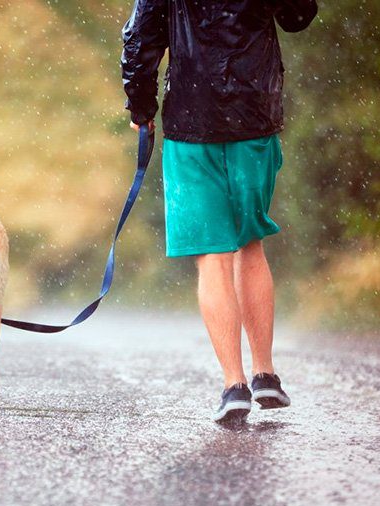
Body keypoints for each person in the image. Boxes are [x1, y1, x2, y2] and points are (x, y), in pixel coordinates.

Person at [121, 0, 318, 422]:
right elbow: (298, 16)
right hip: (255, 116)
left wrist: (141, 107)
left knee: (213, 255)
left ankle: (235, 385)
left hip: (193, 123)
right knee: (250, 243)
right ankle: (265, 373)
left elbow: (140, 36)